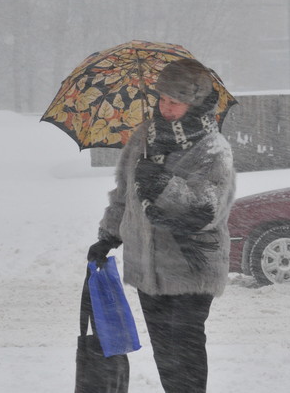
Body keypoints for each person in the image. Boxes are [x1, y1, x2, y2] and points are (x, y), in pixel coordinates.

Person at [88, 58, 236, 393]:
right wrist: (108, 236)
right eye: (163, 100)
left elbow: (207, 209)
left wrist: (163, 185)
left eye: (176, 102)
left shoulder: (213, 149)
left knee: (185, 346)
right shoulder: (143, 138)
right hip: (148, 267)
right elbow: (123, 195)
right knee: (165, 351)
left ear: (195, 104)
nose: (166, 108)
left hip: (190, 265)